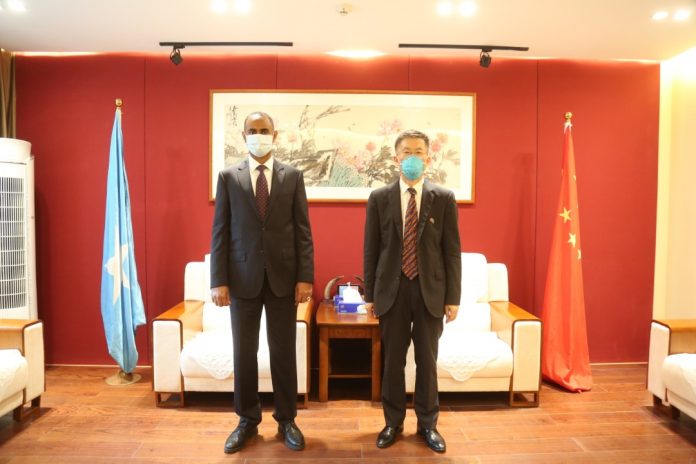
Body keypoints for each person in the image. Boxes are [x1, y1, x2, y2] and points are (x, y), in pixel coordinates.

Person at [210, 111, 314, 454]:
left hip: (284, 279)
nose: (259, 135)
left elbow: (303, 232)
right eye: (252, 130)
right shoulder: (229, 177)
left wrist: (305, 278)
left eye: (264, 130)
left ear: (275, 134)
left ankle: (287, 419)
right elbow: (220, 231)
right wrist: (218, 280)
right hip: (242, 279)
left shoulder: (293, 176)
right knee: (244, 352)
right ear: (244, 136)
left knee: (283, 352)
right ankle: (247, 419)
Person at [363, 129, 461, 453]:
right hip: (391, 291)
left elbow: (451, 252)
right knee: (393, 361)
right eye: (407, 151)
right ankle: (392, 423)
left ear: (428, 158)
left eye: (419, 152)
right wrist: (370, 296)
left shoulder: (443, 198)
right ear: (396, 158)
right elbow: (371, 249)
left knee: (426, 361)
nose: (412, 157)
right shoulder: (379, 198)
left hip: (430, 290)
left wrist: (453, 298)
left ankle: (427, 424)